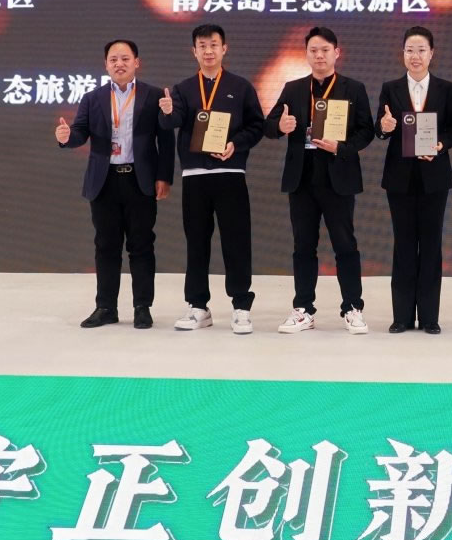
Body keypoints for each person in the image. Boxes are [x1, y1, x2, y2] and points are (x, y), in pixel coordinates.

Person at [55, 39, 174, 329]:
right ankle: (106, 307)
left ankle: (142, 307)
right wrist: (66, 138)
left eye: (125, 58)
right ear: (106, 65)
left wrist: (164, 177)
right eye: (113, 59)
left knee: (141, 245)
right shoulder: (93, 98)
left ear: (137, 62)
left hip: (139, 180)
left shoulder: (153, 95)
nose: (119, 64)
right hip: (104, 181)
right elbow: (80, 132)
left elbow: (166, 141)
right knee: (106, 245)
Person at [266, 26, 375, 334]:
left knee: (345, 244)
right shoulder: (293, 88)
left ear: (336, 53)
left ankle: (352, 307)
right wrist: (281, 126)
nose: (319, 56)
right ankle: (303, 309)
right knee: (303, 245)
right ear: (306, 54)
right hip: (302, 176)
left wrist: (341, 147)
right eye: (313, 50)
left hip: (337, 174)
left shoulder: (353, 88)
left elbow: (366, 131)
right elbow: (269, 126)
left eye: (325, 50)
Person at [158, 23, 265, 334]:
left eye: (213, 45)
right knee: (196, 242)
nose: (208, 51)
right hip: (195, 176)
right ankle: (198, 306)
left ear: (224, 48)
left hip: (230, 173)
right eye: (202, 46)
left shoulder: (241, 87)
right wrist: (167, 111)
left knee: (236, 241)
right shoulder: (182, 89)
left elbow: (256, 126)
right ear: (194, 51)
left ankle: (241, 306)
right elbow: (172, 122)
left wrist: (236, 144)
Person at [375, 25, 452, 334]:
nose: (415, 56)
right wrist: (384, 126)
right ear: (402, 54)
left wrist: (440, 145)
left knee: (431, 244)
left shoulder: (445, 88)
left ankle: (429, 317)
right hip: (399, 177)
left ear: (431, 53)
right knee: (403, 244)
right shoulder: (390, 88)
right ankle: (401, 316)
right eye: (410, 50)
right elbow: (380, 127)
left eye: (421, 50)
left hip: (434, 177)